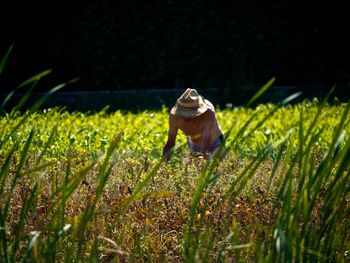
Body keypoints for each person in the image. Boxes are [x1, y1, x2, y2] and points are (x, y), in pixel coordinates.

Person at [162, 88, 224, 160]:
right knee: (197, 164)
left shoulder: (209, 112)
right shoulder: (174, 117)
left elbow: (206, 138)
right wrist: (163, 162)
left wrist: (204, 156)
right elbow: (170, 142)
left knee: (217, 164)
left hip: (214, 140)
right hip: (194, 141)